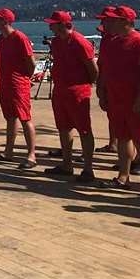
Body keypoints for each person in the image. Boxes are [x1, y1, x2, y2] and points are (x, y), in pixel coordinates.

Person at [96, 5, 140, 201]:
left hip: (135, 100)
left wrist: (139, 101)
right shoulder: (111, 42)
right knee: (123, 138)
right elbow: (105, 70)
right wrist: (102, 93)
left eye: (113, 20)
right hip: (116, 99)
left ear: (125, 22)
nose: (108, 23)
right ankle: (123, 176)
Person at [42, 11, 98, 182]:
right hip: (60, 90)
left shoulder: (80, 42)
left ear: (61, 25)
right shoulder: (56, 42)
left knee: (84, 129)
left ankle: (88, 168)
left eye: (52, 23)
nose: (50, 26)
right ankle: (67, 164)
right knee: (63, 128)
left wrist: (87, 84)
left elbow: (93, 69)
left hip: (78, 91)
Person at [0, 8, 37, 169]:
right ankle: (8, 151)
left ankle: (31, 155)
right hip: (5, 83)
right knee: (10, 117)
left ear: (5, 21)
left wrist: (25, 78)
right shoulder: (1, 39)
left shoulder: (20, 38)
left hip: (18, 84)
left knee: (25, 118)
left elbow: (31, 62)